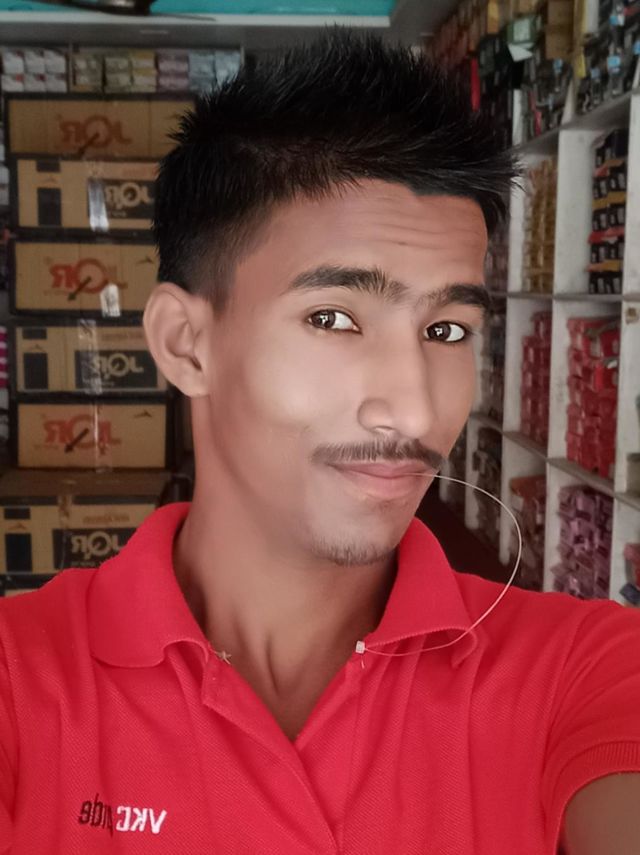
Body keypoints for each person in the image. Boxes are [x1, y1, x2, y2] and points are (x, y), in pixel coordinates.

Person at [1, 29, 639, 855]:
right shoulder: (23, 682)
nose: (412, 407)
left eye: (447, 329)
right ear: (186, 344)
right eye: (333, 317)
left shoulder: (583, 666)